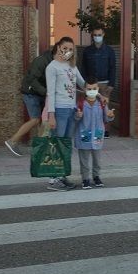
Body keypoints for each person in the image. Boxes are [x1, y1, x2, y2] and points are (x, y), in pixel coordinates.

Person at [45, 36, 84, 191]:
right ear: (58, 47)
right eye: (65, 48)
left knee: (66, 145)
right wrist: (51, 115)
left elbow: (82, 83)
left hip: (71, 110)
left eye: (70, 49)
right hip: (59, 110)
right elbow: (50, 93)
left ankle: (61, 176)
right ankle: (53, 179)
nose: (67, 51)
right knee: (57, 144)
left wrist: (98, 94)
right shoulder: (52, 67)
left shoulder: (72, 66)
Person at [4, 45, 57, 157]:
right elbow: (31, 79)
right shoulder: (42, 61)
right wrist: (46, 92)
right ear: (55, 51)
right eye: (62, 50)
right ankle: (12, 140)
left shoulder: (55, 62)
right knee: (35, 120)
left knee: (44, 120)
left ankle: (41, 148)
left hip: (40, 94)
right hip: (31, 93)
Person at [74, 77, 115, 189]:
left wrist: (110, 116)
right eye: (89, 89)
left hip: (97, 133)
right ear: (85, 90)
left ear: (97, 89)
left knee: (97, 159)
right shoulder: (80, 104)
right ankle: (85, 179)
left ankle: (96, 177)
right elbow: (75, 120)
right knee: (84, 159)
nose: (92, 91)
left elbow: (106, 118)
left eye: (94, 88)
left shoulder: (102, 103)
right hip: (85, 133)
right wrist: (77, 116)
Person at [81, 26, 116, 137]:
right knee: (90, 107)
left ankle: (104, 131)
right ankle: (89, 130)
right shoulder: (87, 51)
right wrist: (84, 84)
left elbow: (113, 68)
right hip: (91, 85)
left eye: (99, 35)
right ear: (92, 35)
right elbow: (83, 68)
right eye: (95, 35)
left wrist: (111, 84)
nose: (97, 37)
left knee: (105, 106)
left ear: (103, 34)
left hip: (105, 83)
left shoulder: (109, 51)